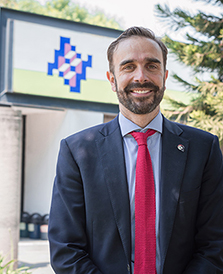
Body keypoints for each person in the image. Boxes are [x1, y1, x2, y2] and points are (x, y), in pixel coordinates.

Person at [48, 26, 223, 274]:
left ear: (165, 76)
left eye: (152, 66)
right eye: (128, 66)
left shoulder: (204, 149)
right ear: (112, 79)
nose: (141, 77)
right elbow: (66, 249)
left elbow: (215, 245)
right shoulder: (77, 151)